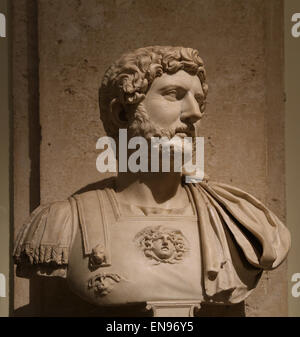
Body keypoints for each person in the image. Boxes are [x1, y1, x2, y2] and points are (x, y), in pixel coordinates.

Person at [14, 46, 291, 311]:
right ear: (122, 113)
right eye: (174, 95)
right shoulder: (63, 222)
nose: (195, 112)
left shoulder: (239, 219)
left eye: (199, 100)